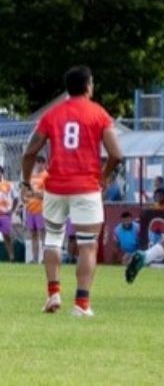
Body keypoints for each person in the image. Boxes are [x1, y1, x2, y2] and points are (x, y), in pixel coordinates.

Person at [21, 66, 123, 316]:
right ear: (88, 85)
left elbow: (30, 151)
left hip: (56, 187)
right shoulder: (99, 113)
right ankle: (82, 304)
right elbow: (117, 154)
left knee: (53, 239)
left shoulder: (52, 114)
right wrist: (103, 176)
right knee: (88, 245)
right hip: (87, 187)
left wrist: (26, 182)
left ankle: (53, 293)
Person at [23, 160, 46, 265]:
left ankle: (45, 258)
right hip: (30, 209)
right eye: (38, 162)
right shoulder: (31, 177)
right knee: (33, 234)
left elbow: (46, 194)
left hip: (41, 209)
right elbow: (25, 192)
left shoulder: (46, 176)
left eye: (41, 162)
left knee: (43, 234)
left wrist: (35, 193)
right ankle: (35, 258)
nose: (39, 164)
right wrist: (27, 196)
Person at [0, 175, 15, 262]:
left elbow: (16, 198)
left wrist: (12, 210)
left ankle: (11, 256)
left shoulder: (8, 185)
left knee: (7, 236)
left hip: (5, 214)